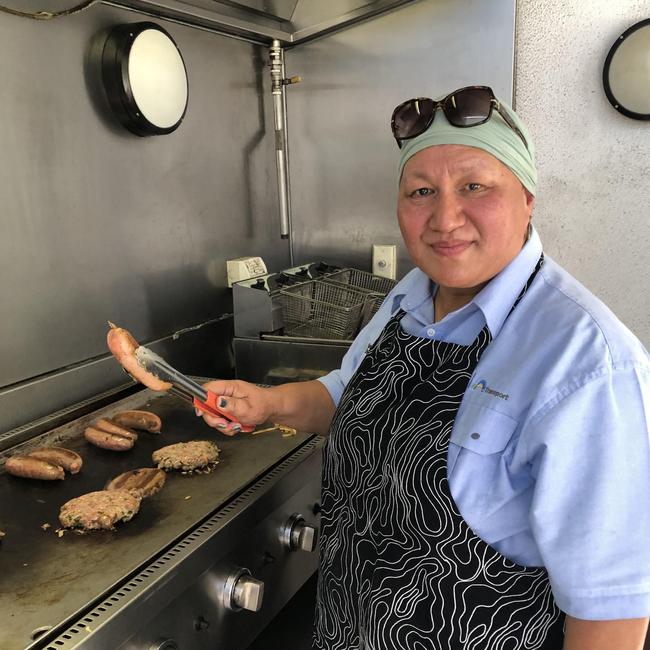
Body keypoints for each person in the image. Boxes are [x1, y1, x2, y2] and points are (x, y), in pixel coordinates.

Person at [201, 85, 650, 650]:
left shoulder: (589, 362)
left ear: (528, 197)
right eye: (420, 191)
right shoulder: (412, 295)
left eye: (474, 187)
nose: (444, 219)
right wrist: (267, 403)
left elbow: (609, 614)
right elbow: (349, 392)